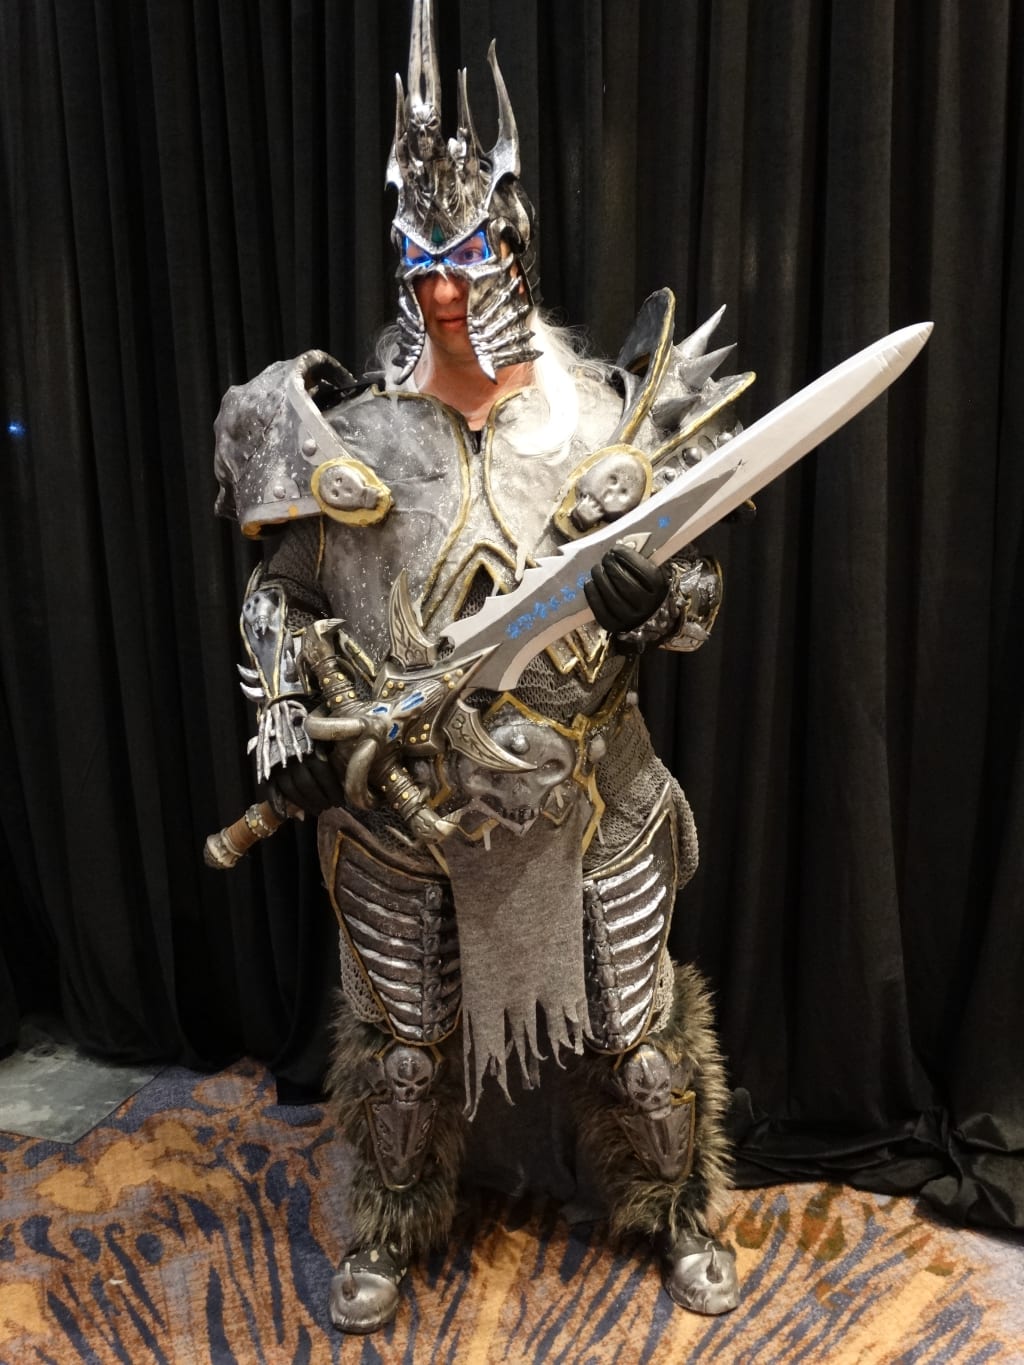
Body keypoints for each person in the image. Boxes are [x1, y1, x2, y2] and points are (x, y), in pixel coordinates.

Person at [214, 0, 754, 1335]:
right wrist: (286, 715)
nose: (443, 292)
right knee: (402, 1058)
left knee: (640, 1050)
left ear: (509, 247)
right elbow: (279, 598)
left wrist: (652, 602)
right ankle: (392, 1226)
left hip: (589, 782)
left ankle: (680, 1208)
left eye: (463, 258)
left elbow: (697, 601)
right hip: (405, 799)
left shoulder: (602, 417)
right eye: (421, 261)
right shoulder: (344, 435)